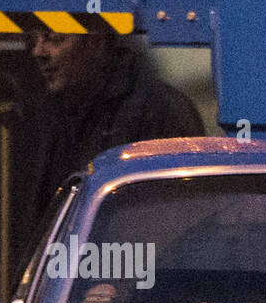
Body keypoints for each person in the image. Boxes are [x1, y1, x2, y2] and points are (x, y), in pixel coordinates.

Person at [15, 25, 205, 283]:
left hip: (135, 302)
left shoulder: (161, 111)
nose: (39, 51)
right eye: (33, 38)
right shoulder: (55, 114)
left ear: (97, 42)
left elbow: (182, 227)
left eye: (53, 38)